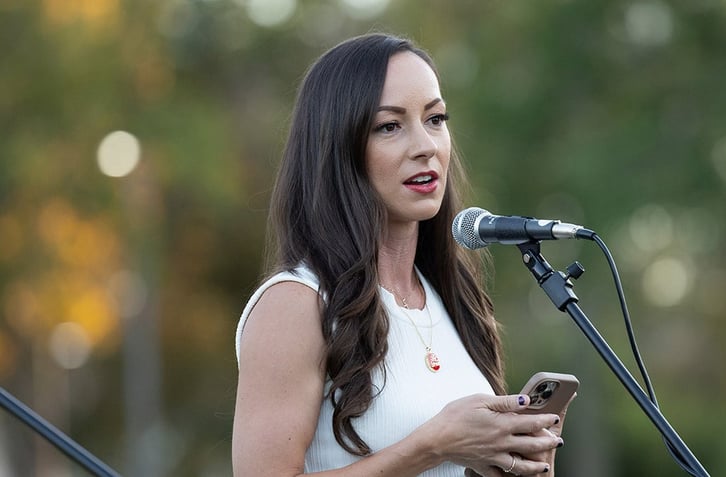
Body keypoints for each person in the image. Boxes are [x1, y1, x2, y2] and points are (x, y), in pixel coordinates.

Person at [232, 33, 573, 477]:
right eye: (389, 126)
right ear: (339, 148)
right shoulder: (295, 304)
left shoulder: (454, 298)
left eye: (435, 119)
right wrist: (431, 445)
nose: (425, 145)